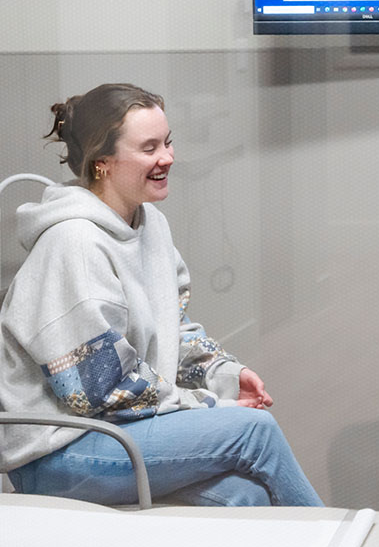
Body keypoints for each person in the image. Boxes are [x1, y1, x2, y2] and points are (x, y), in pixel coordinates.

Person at [0, 83, 323, 508]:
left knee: (247, 496)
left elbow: (169, 331)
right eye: (149, 148)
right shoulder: (73, 245)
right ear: (103, 164)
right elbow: (99, 393)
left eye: (168, 143)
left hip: (118, 431)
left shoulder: (150, 224)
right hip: (59, 451)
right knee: (253, 431)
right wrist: (208, 405)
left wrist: (222, 375)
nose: (167, 158)